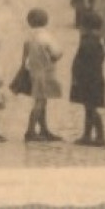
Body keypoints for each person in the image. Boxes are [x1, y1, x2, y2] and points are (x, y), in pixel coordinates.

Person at [20, 8, 64, 143]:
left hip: (34, 72)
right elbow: (57, 53)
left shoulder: (29, 37)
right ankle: (30, 131)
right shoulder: (46, 37)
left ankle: (43, 129)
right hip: (46, 72)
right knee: (40, 102)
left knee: (41, 100)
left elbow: (24, 57)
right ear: (46, 21)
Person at [69, 10, 105, 147]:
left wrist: (77, 77)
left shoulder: (89, 42)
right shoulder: (94, 41)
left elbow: (84, 62)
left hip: (89, 81)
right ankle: (87, 135)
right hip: (92, 79)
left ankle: (100, 136)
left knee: (91, 109)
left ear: (86, 27)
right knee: (89, 108)